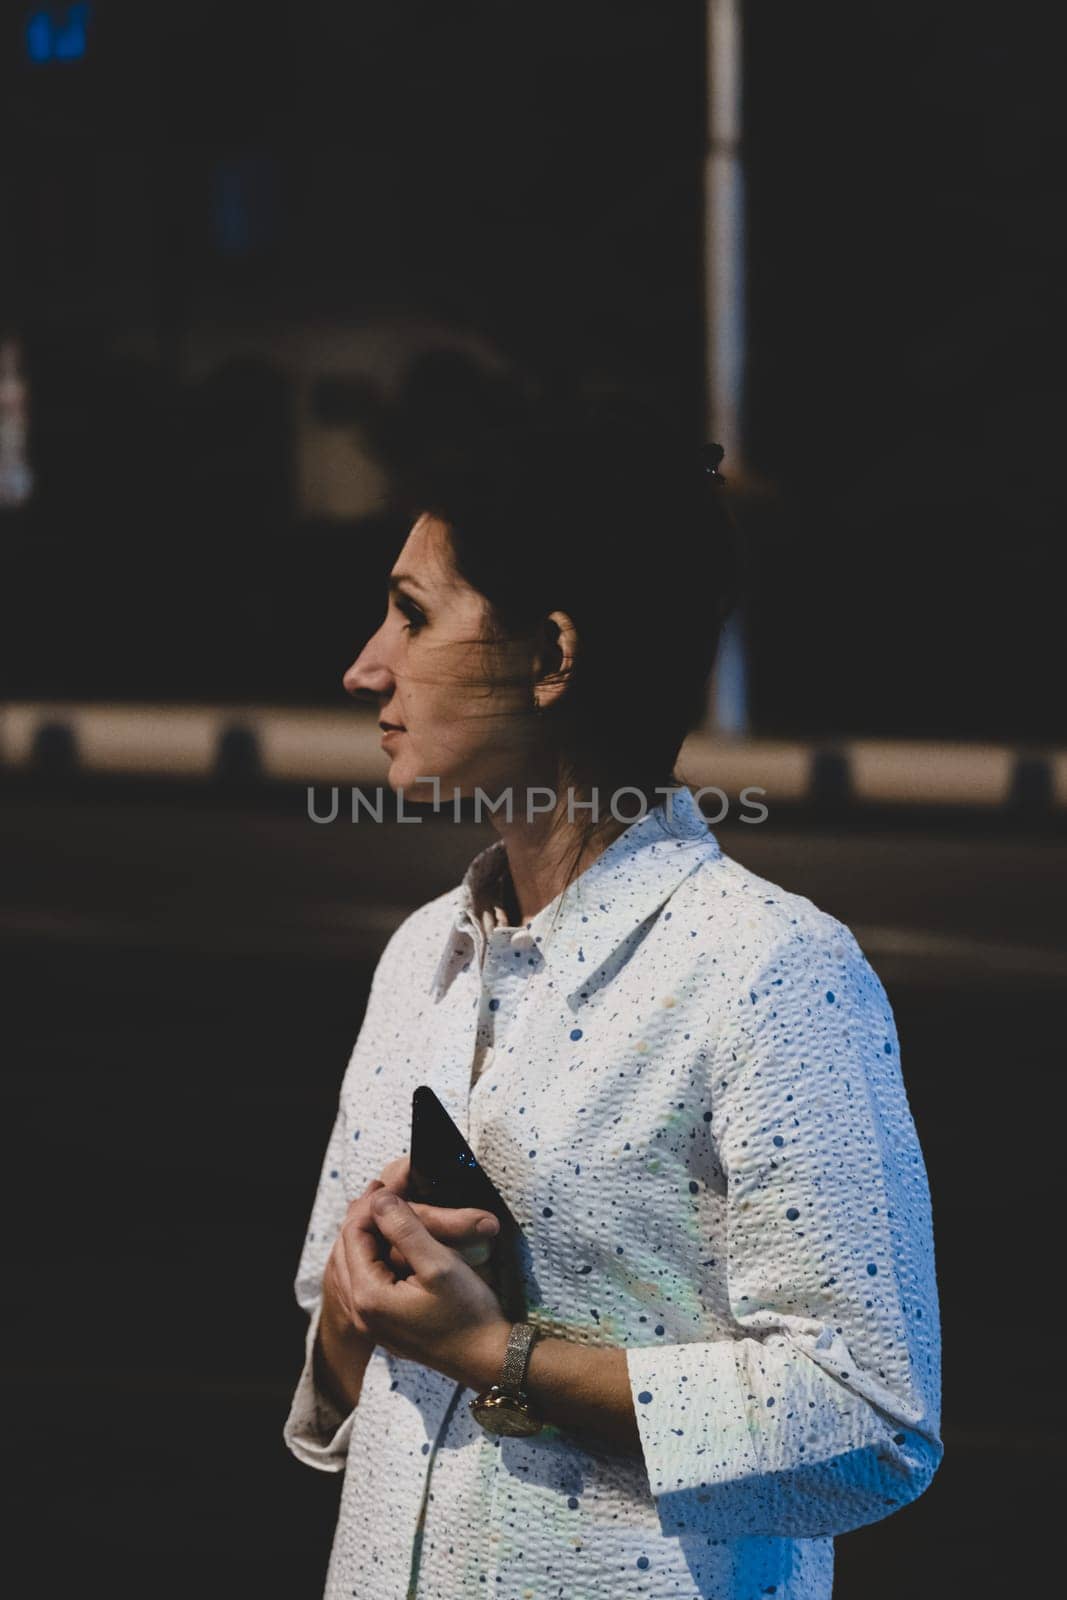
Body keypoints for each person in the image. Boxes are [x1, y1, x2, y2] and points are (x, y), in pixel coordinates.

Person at [283, 412, 944, 1599]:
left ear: (550, 656)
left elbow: (868, 1420)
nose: (364, 665)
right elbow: (342, 1368)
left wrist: (494, 1353)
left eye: (414, 614)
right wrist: (352, 1307)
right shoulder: (419, 959)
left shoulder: (770, 967)